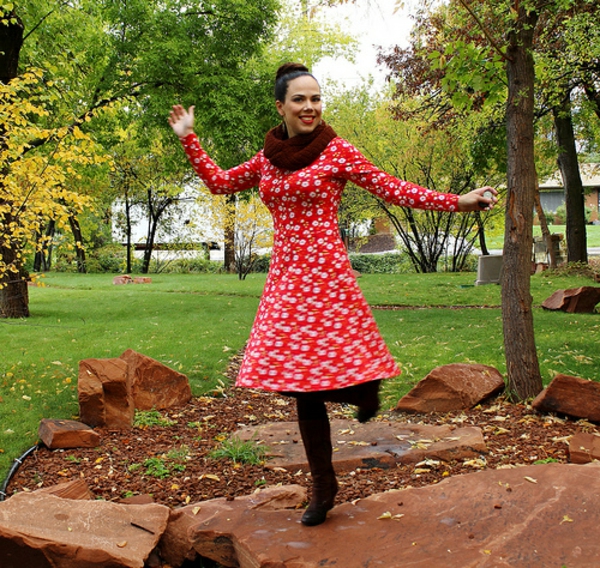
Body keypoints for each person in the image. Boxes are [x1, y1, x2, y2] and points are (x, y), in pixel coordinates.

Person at [169, 62, 497, 526]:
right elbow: (220, 183)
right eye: (300, 99)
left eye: (316, 98)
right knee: (300, 386)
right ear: (280, 106)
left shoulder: (336, 151)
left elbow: (392, 188)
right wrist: (189, 137)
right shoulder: (266, 159)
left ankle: (363, 393)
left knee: (321, 379)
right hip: (285, 279)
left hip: (326, 277)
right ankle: (323, 487)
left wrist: (457, 201)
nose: (310, 107)